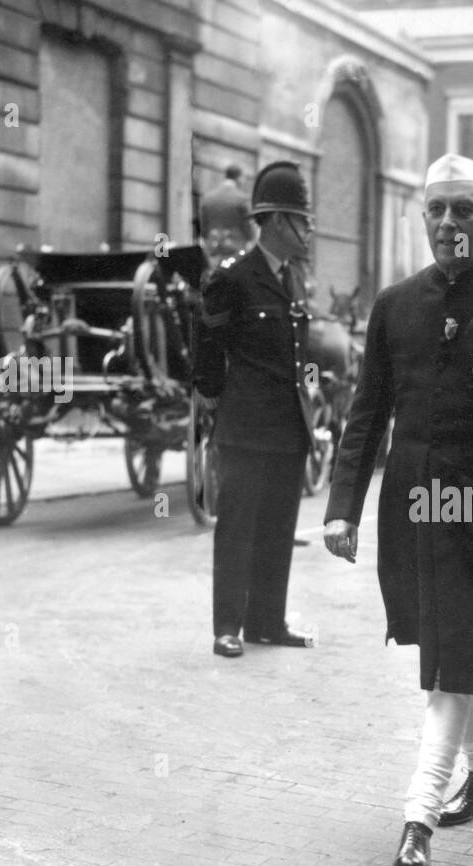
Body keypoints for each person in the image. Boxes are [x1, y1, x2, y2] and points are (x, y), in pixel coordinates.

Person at [322, 153, 473, 866]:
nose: (450, 222)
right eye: (438, 209)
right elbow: (366, 414)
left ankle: (417, 819)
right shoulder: (396, 305)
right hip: (414, 508)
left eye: (465, 209)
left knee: (451, 659)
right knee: (446, 646)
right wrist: (342, 509)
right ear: (423, 218)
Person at [193, 162, 319, 657]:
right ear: (276, 222)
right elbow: (208, 349)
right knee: (238, 530)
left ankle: (267, 622)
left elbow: (298, 356)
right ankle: (228, 626)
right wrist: (216, 403)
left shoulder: (294, 281)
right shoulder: (233, 278)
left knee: (277, 529)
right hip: (245, 429)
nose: (308, 230)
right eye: (302, 221)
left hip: (288, 428)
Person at [199, 165, 254, 264]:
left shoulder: (208, 198)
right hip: (235, 250)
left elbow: (204, 228)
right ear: (239, 178)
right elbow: (248, 228)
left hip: (213, 250)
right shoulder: (241, 199)